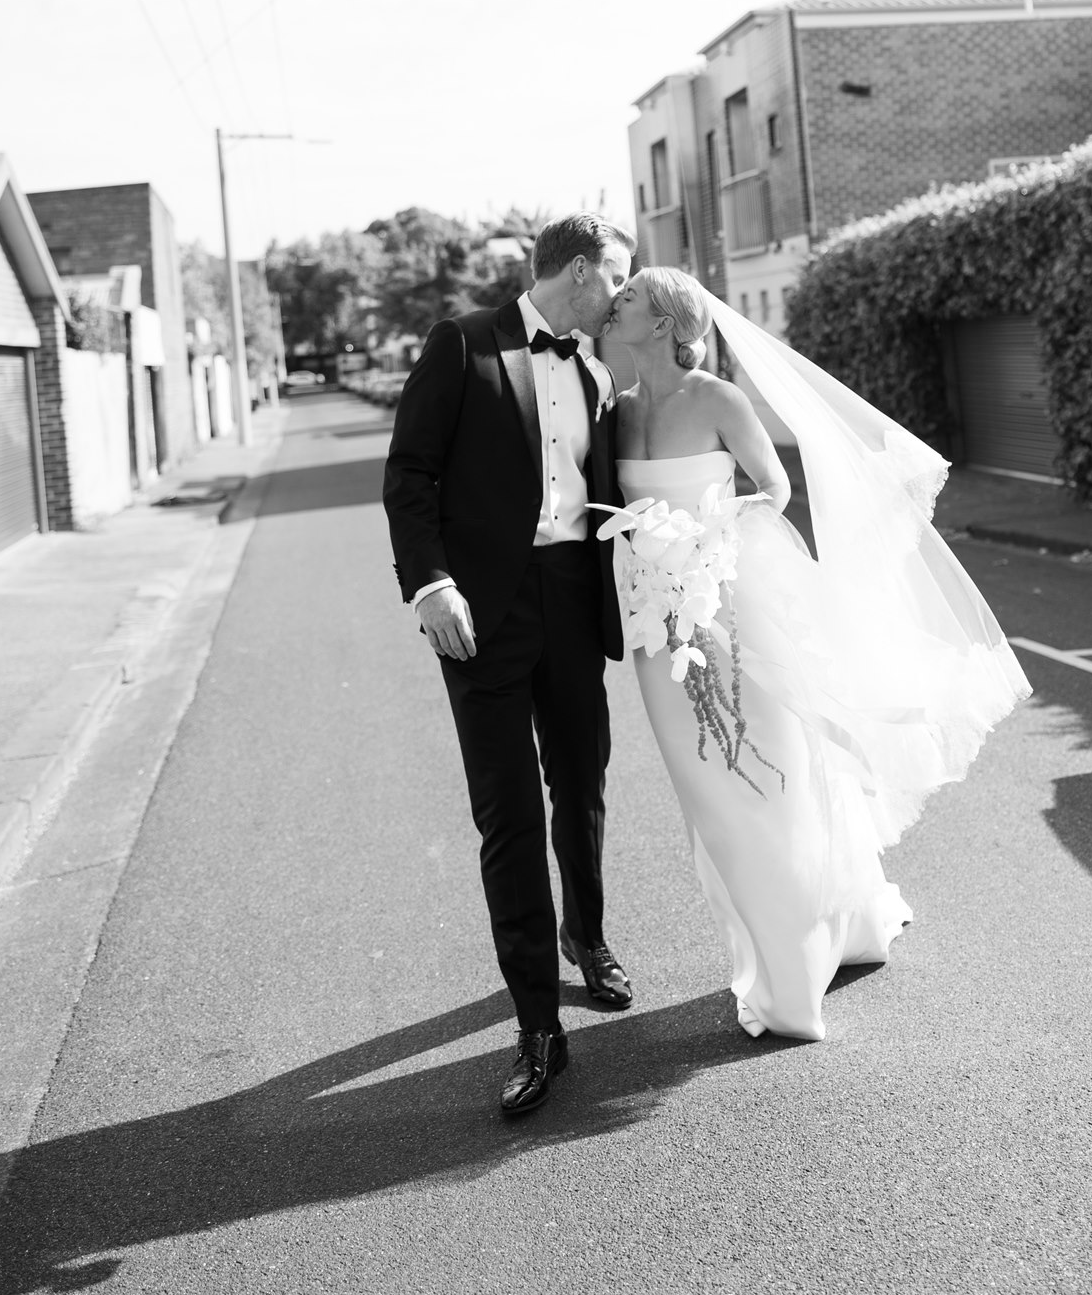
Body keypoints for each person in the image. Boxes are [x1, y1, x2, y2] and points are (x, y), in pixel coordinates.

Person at [604, 266, 1031, 1043]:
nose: (615, 301)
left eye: (629, 295)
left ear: (664, 322)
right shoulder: (619, 410)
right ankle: (821, 924)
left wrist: (700, 547)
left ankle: (788, 977)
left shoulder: (718, 401)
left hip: (728, 612)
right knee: (708, 801)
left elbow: (773, 491)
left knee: (765, 787)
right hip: (657, 630)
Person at [382, 214, 634, 1115]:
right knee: (509, 815)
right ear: (577, 271)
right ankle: (537, 1026)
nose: (621, 296)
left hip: (573, 598)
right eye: (616, 280)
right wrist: (429, 584)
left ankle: (588, 939)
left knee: (584, 783)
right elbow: (408, 473)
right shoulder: (463, 345)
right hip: (479, 613)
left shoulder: (600, 365)